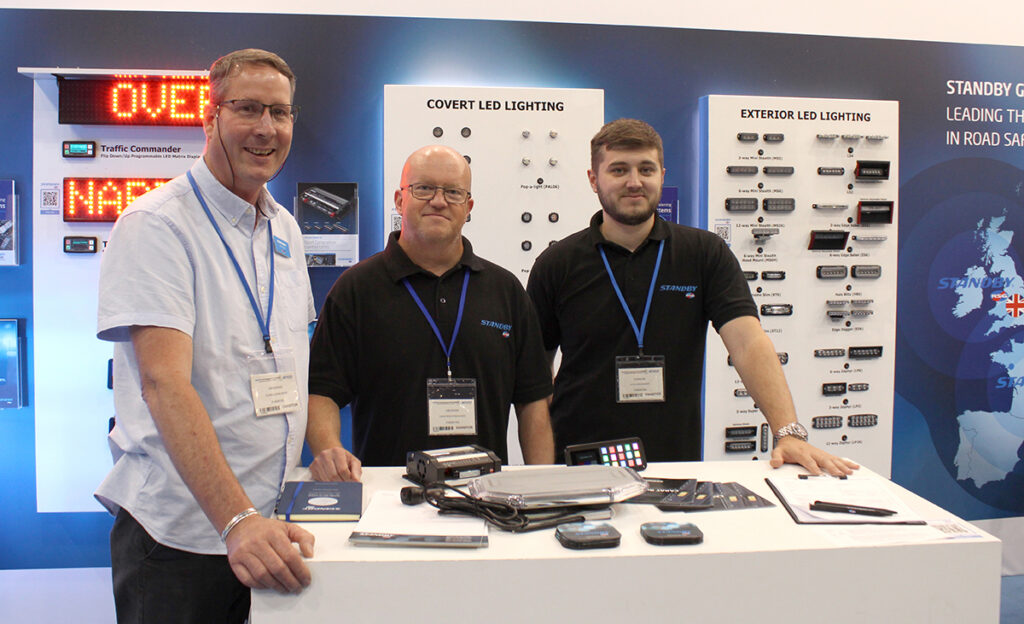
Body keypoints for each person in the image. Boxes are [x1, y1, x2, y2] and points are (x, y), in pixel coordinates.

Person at [95, 49, 316, 623]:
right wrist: (236, 520)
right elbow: (164, 383)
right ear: (209, 115)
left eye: (281, 112)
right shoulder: (157, 225)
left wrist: (259, 517)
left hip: (265, 529)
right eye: (247, 109)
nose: (266, 128)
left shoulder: (285, 228)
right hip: (187, 537)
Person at [527, 118, 858, 476]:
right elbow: (535, 381)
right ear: (594, 179)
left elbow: (748, 343)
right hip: (580, 462)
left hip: (674, 461)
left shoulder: (704, 254)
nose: (634, 182)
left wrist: (788, 432)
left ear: (662, 175)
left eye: (646, 169)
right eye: (618, 169)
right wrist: (542, 475)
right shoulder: (557, 263)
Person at [306, 144, 555, 477]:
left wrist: (544, 484)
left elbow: (533, 401)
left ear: (468, 207)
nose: (439, 201)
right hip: (388, 493)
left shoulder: (505, 290)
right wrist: (329, 452)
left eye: (453, 192)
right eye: (424, 188)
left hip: (487, 495)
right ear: (400, 199)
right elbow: (322, 390)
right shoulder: (355, 290)